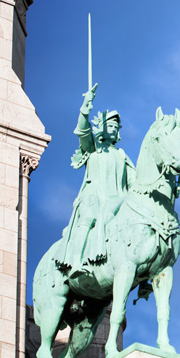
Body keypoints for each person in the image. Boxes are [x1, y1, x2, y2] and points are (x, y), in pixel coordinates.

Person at [58, 83, 135, 274]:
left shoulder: (122, 156)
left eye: (116, 127)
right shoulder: (93, 149)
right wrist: (86, 107)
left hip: (117, 201)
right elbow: (82, 131)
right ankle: (75, 263)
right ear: (102, 127)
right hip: (93, 198)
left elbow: (136, 183)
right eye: (110, 125)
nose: (114, 129)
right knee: (89, 219)